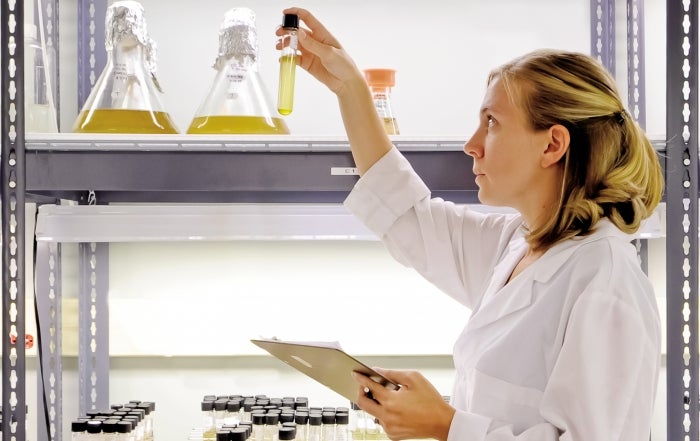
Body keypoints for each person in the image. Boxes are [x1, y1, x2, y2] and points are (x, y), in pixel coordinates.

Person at [277, 7, 664, 441]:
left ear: (553, 144)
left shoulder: (605, 282)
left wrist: (446, 425)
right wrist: (349, 88)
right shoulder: (516, 246)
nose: (471, 144)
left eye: (492, 123)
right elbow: (410, 218)